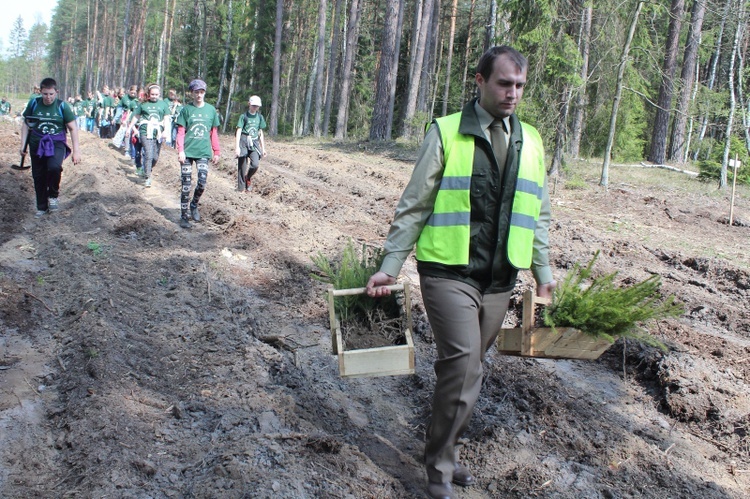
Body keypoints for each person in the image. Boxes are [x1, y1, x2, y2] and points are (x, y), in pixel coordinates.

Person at [365, 46, 556, 499]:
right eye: (504, 83)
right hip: (448, 272)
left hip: (499, 277)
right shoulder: (447, 133)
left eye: (519, 86)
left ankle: (442, 448)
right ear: (480, 81)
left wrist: (542, 272)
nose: (513, 93)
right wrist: (391, 265)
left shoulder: (531, 140)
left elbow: (538, 215)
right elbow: (415, 203)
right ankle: (438, 471)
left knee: (469, 372)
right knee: (465, 364)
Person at [19, 77, 82, 217]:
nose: (48, 97)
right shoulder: (34, 103)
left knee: (54, 167)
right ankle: (41, 207)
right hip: (36, 143)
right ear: (40, 92)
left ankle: (53, 195)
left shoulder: (62, 106)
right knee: (38, 175)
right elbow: (25, 124)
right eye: (45, 94)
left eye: (51, 94)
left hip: (56, 142)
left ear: (56, 92)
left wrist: (76, 151)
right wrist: (23, 144)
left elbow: (72, 128)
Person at [175, 79, 220, 229]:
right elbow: (181, 132)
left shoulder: (211, 110)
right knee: (186, 185)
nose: (199, 95)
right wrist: (180, 150)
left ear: (204, 93)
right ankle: (184, 216)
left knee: (202, 182)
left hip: (203, 151)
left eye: (201, 92)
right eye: (196, 92)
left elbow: (214, 133)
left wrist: (216, 151)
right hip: (187, 152)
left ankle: (194, 204)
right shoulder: (186, 110)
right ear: (192, 93)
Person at [127, 84, 170, 187]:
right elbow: (136, 116)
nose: (154, 96)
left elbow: (166, 119)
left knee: (155, 157)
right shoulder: (143, 104)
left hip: (157, 133)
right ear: (149, 94)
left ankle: (147, 168)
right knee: (148, 153)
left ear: (159, 94)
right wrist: (129, 128)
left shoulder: (163, 104)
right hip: (145, 131)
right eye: (152, 94)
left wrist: (166, 131)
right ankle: (147, 177)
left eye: (156, 94)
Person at [234, 95, 267, 192]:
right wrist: (237, 147)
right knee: (242, 167)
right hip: (243, 141)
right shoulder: (243, 116)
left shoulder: (260, 117)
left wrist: (263, 148)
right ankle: (240, 188)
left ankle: (248, 177)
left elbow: (260, 133)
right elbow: (239, 131)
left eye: (257, 106)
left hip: (254, 143)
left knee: (255, 164)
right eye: (253, 106)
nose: (255, 108)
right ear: (249, 104)